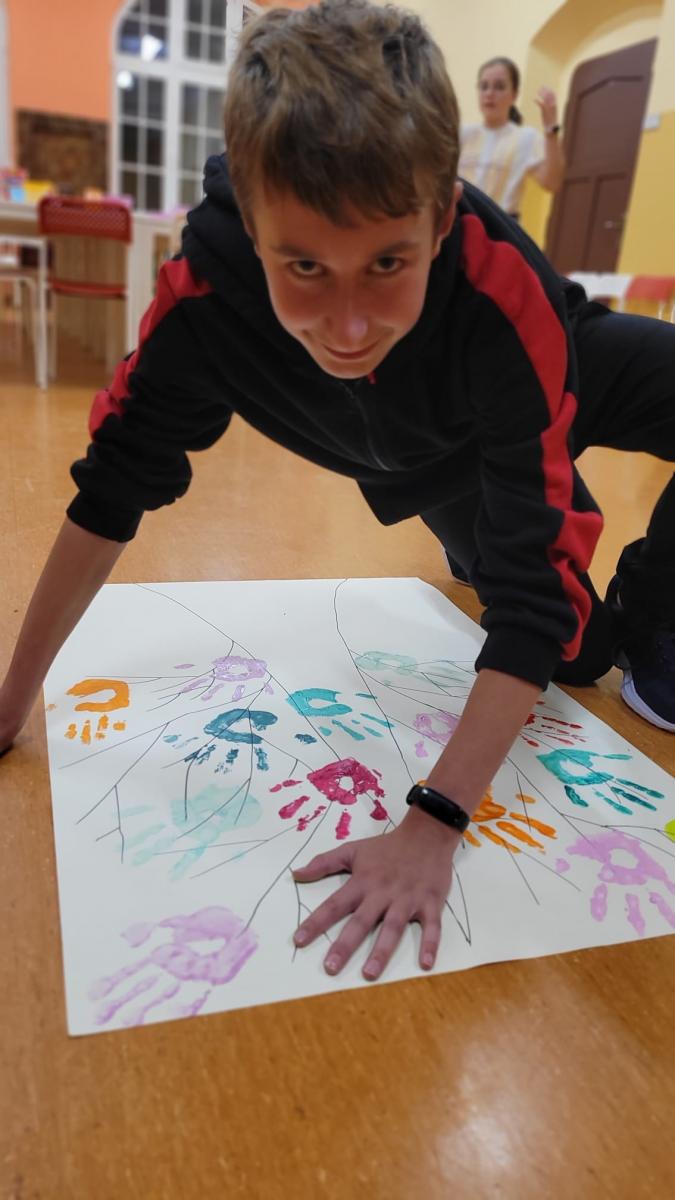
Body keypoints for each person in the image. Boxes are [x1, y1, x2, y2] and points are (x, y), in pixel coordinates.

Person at [1, 0, 673, 984]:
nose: (347, 326)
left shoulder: (497, 287)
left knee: (547, 586)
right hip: (436, 451)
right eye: (305, 265)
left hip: (548, 360)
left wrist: (434, 819)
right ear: (256, 228)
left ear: (440, 218)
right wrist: (10, 701)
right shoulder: (205, 295)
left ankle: (658, 620)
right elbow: (110, 489)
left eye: (386, 262)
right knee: (573, 656)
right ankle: (496, 549)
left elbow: (534, 581)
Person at [459, 56, 564, 219]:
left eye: (499, 87)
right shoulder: (462, 134)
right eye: (484, 86)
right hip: (458, 222)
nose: (489, 93)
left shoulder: (526, 138)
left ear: (514, 95)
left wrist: (551, 131)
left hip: (500, 226)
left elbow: (552, 182)